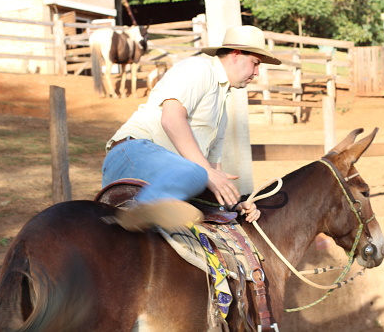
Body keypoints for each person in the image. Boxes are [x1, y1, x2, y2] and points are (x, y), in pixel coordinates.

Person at [102, 25, 281, 231]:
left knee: (203, 184)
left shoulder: (222, 110)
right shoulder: (199, 68)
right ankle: (143, 209)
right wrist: (205, 172)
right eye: (255, 63)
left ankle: (145, 216)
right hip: (132, 153)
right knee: (196, 173)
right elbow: (171, 119)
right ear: (236, 54)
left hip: (173, 174)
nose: (257, 72)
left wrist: (234, 204)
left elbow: (215, 172)